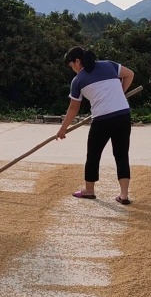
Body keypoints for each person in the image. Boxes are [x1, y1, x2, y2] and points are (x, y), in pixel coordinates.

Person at [56, 46, 135, 205]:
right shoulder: (109, 65)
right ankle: (124, 195)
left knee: (93, 154)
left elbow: (74, 107)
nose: (72, 69)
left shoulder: (78, 80)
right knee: (121, 154)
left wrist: (63, 129)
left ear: (77, 61)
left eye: (71, 65)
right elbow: (130, 74)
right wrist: (120, 92)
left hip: (103, 119)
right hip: (123, 115)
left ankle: (89, 191)